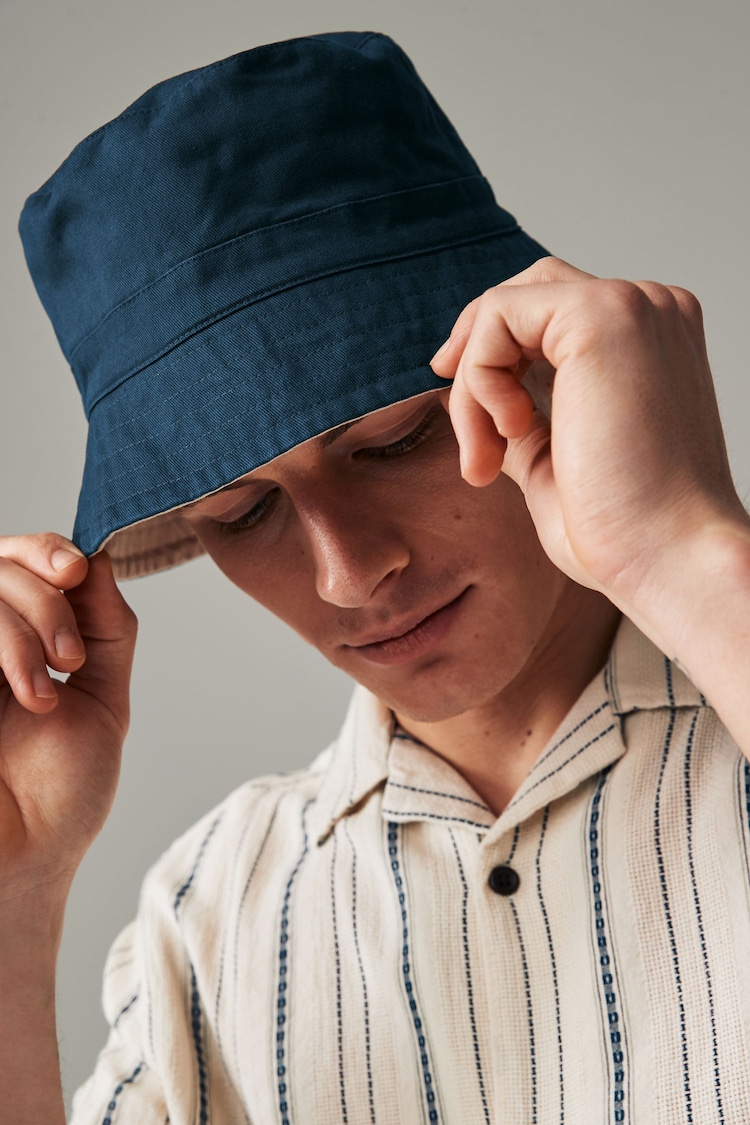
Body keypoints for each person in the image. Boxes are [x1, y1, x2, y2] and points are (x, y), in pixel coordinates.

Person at [3, 29, 750, 1125]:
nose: (352, 575)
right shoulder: (213, 912)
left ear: (540, 365)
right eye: (243, 512)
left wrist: (690, 556)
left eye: (394, 439)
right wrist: (16, 904)